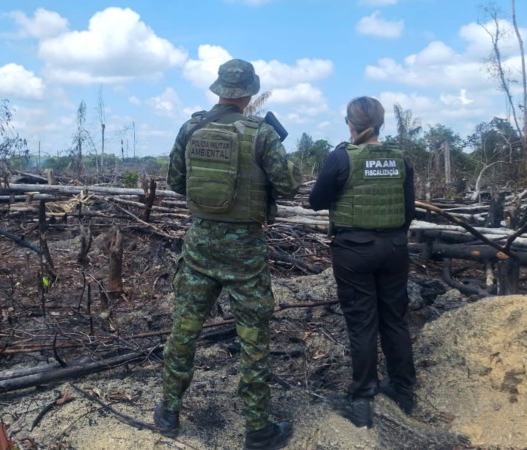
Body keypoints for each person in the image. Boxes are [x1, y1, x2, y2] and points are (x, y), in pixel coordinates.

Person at [154, 58, 302, 450]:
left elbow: (176, 181)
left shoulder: (191, 128)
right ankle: (257, 429)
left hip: (200, 245)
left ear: (219, 89)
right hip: (245, 253)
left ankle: (169, 412)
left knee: (184, 330)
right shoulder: (262, 133)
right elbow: (289, 185)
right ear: (250, 93)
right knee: (253, 338)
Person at [308, 96, 417, 428]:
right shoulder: (400, 159)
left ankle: (363, 399)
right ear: (380, 124)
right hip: (395, 248)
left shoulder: (341, 157)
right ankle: (403, 390)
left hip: (354, 250)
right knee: (395, 319)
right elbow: (408, 209)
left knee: (362, 322)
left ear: (350, 123)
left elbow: (316, 201)